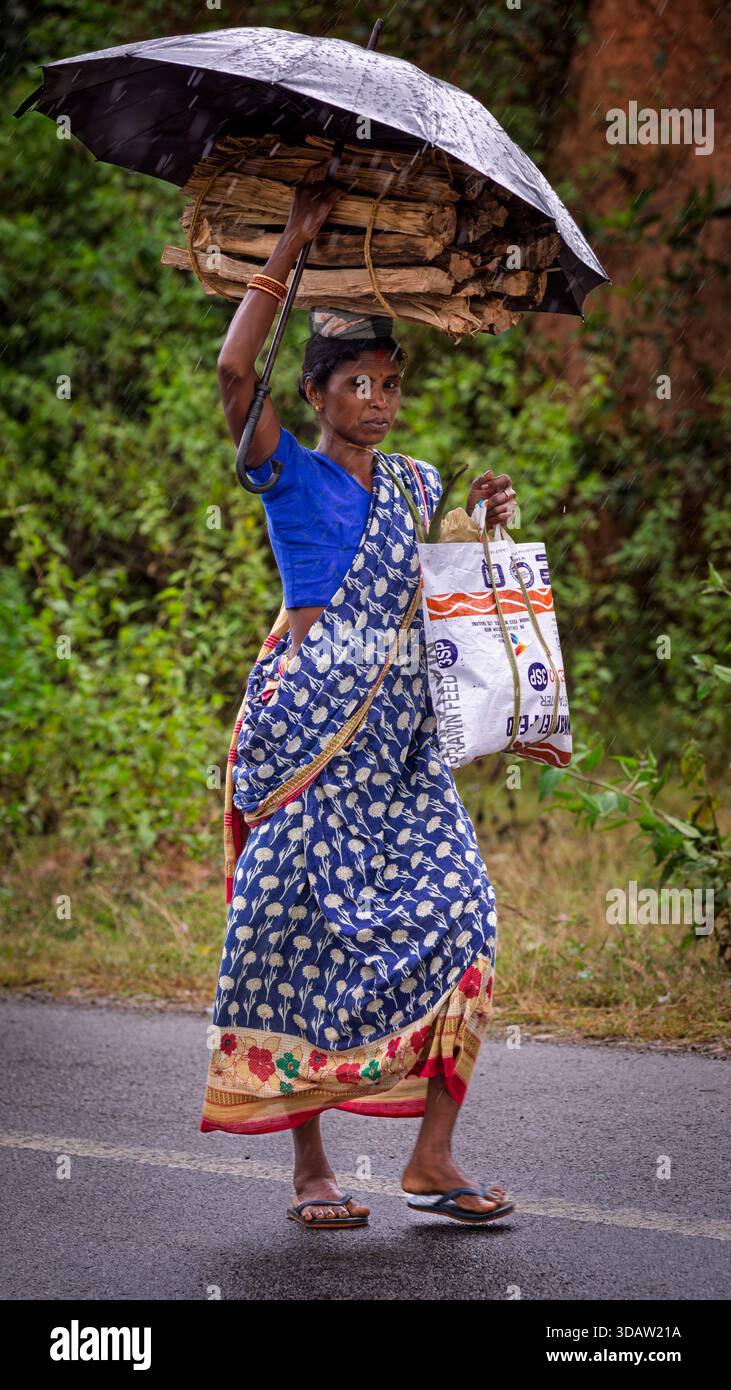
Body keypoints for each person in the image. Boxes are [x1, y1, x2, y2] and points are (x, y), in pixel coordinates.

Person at [199, 164, 519, 1230]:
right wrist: (290, 239)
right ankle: (308, 1169)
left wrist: (483, 524)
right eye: (357, 385)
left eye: (390, 384)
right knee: (292, 934)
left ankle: (431, 1157)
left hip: (398, 749)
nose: (377, 402)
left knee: (463, 913)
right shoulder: (281, 471)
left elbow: (449, 604)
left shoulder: (419, 486)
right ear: (316, 393)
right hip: (306, 733)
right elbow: (232, 366)